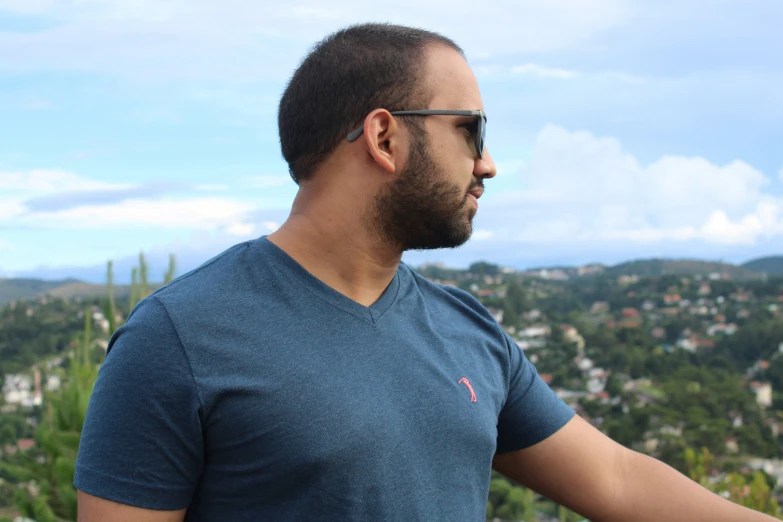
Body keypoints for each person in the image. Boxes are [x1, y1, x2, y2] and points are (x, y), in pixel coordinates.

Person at [75, 23, 777, 522]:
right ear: (383, 136)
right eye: (469, 129)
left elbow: (617, 482)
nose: (488, 162)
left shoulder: (464, 327)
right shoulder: (180, 337)